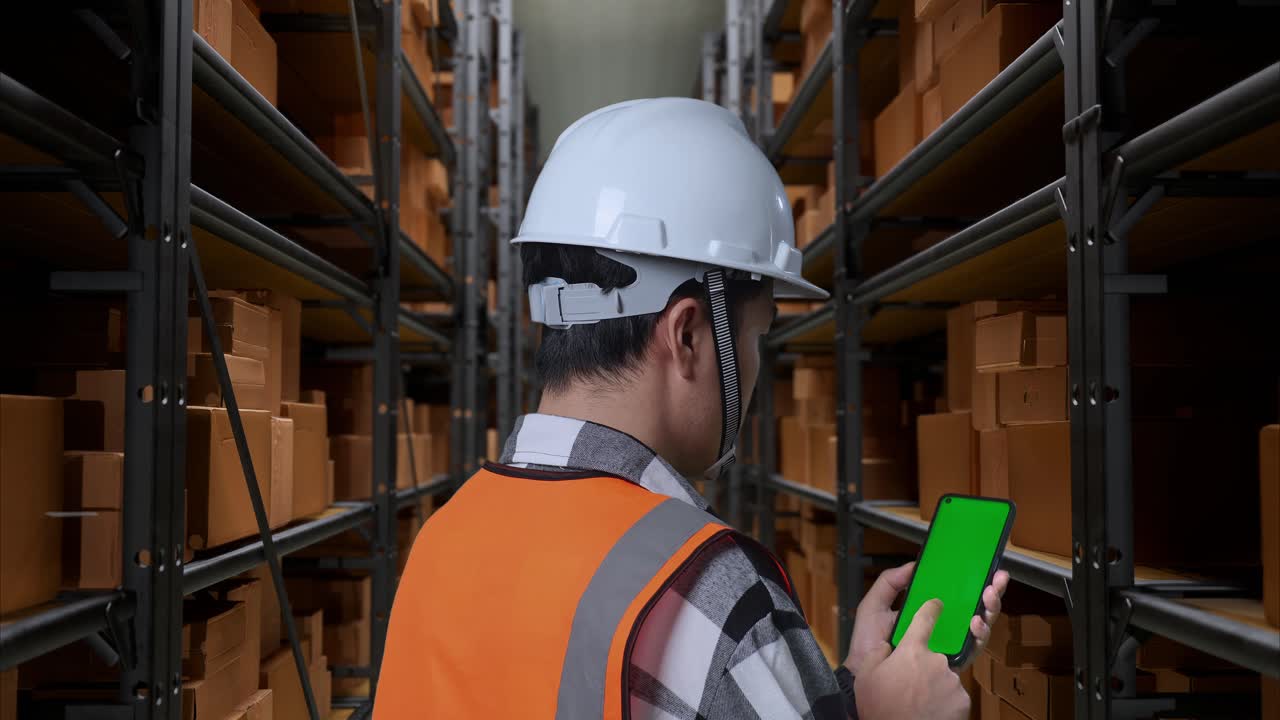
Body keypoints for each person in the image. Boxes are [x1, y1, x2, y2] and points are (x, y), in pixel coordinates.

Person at [375, 98, 1010, 719]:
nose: (759, 366)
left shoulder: (442, 540)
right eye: (758, 334)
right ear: (686, 336)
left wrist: (849, 696)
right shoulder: (711, 594)